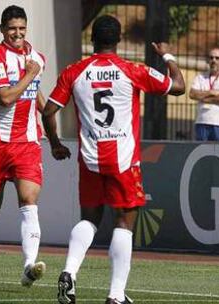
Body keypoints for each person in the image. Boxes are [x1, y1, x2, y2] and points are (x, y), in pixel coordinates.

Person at [42, 15, 185, 304]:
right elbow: (179, 85)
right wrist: (167, 54)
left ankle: (70, 272)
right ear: (118, 41)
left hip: (90, 158)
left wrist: (56, 144)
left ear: (92, 40)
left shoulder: (75, 71)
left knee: (90, 219)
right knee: (123, 222)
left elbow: (47, 112)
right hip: (123, 159)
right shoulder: (132, 70)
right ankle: (116, 296)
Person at [0, 5, 46, 287]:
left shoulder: (36, 58)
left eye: (22, 29)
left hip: (28, 141)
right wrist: (29, 74)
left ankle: (29, 267)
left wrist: (52, 136)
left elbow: (36, 95)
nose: (17, 33)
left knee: (29, 201)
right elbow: (5, 98)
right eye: (12, 28)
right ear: (3, 29)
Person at [189, 47, 219, 142]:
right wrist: (211, 92)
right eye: (211, 58)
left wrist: (203, 98)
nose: (213, 60)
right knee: (202, 155)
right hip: (202, 122)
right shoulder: (200, 77)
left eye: (217, 58)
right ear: (208, 60)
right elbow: (192, 94)